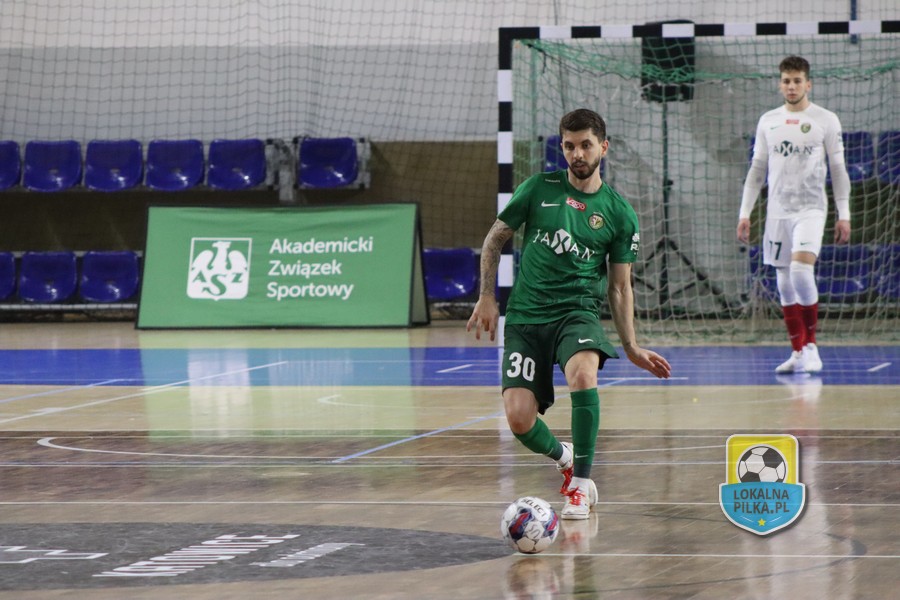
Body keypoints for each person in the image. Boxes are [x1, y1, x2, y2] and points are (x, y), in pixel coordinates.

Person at [466, 108, 671, 520]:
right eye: (569, 146)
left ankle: (579, 486)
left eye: (586, 145)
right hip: (526, 317)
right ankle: (565, 457)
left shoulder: (619, 213)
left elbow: (619, 286)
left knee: (583, 374)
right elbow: (494, 240)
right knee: (519, 420)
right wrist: (486, 296)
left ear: (603, 148)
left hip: (576, 314)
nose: (577, 154)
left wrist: (631, 345)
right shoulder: (537, 188)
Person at [737, 55, 851, 374]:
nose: (791, 86)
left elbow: (838, 169)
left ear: (808, 84)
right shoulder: (768, 121)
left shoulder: (825, 119)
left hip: (811, 209)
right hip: (777, 213)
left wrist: (844, 213)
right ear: (780, 84)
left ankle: (812, 346)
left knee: (801, 271)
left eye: (797, 81)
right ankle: (798, 352)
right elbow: (757, 170)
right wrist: (745, 213)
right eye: (786, 81)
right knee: (784, 281)